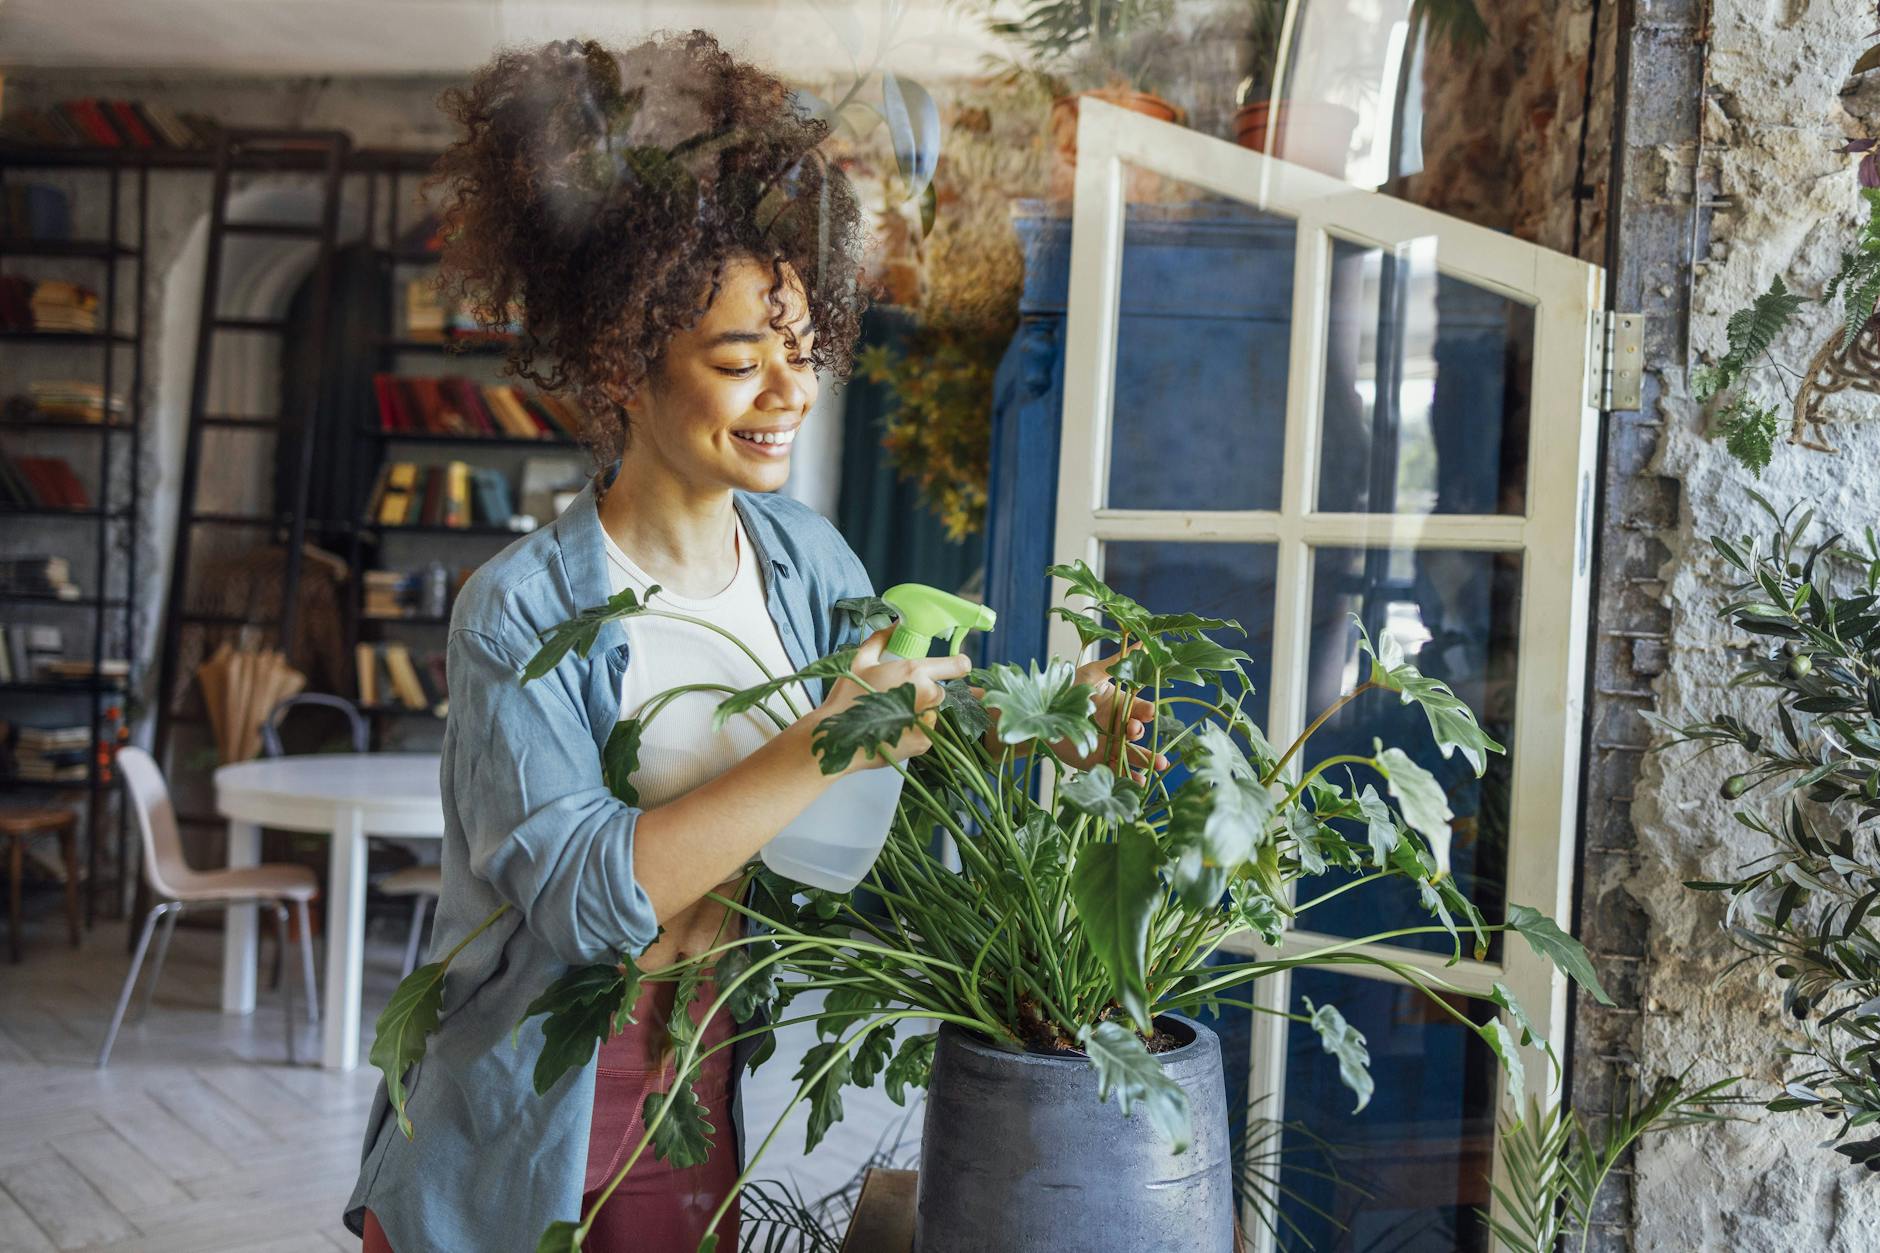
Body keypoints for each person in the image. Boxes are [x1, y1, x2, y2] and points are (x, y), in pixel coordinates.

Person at [345, 32, 1159, 1252]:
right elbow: (583, 901)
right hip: (536, 1089)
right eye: (738, 358)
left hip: (721, 1062)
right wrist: (829, 737)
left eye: (800, 347)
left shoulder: (807, 561)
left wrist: (1049, 737)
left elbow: (896, 756)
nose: (786, 390)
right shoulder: (518, 611)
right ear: (624, 364)